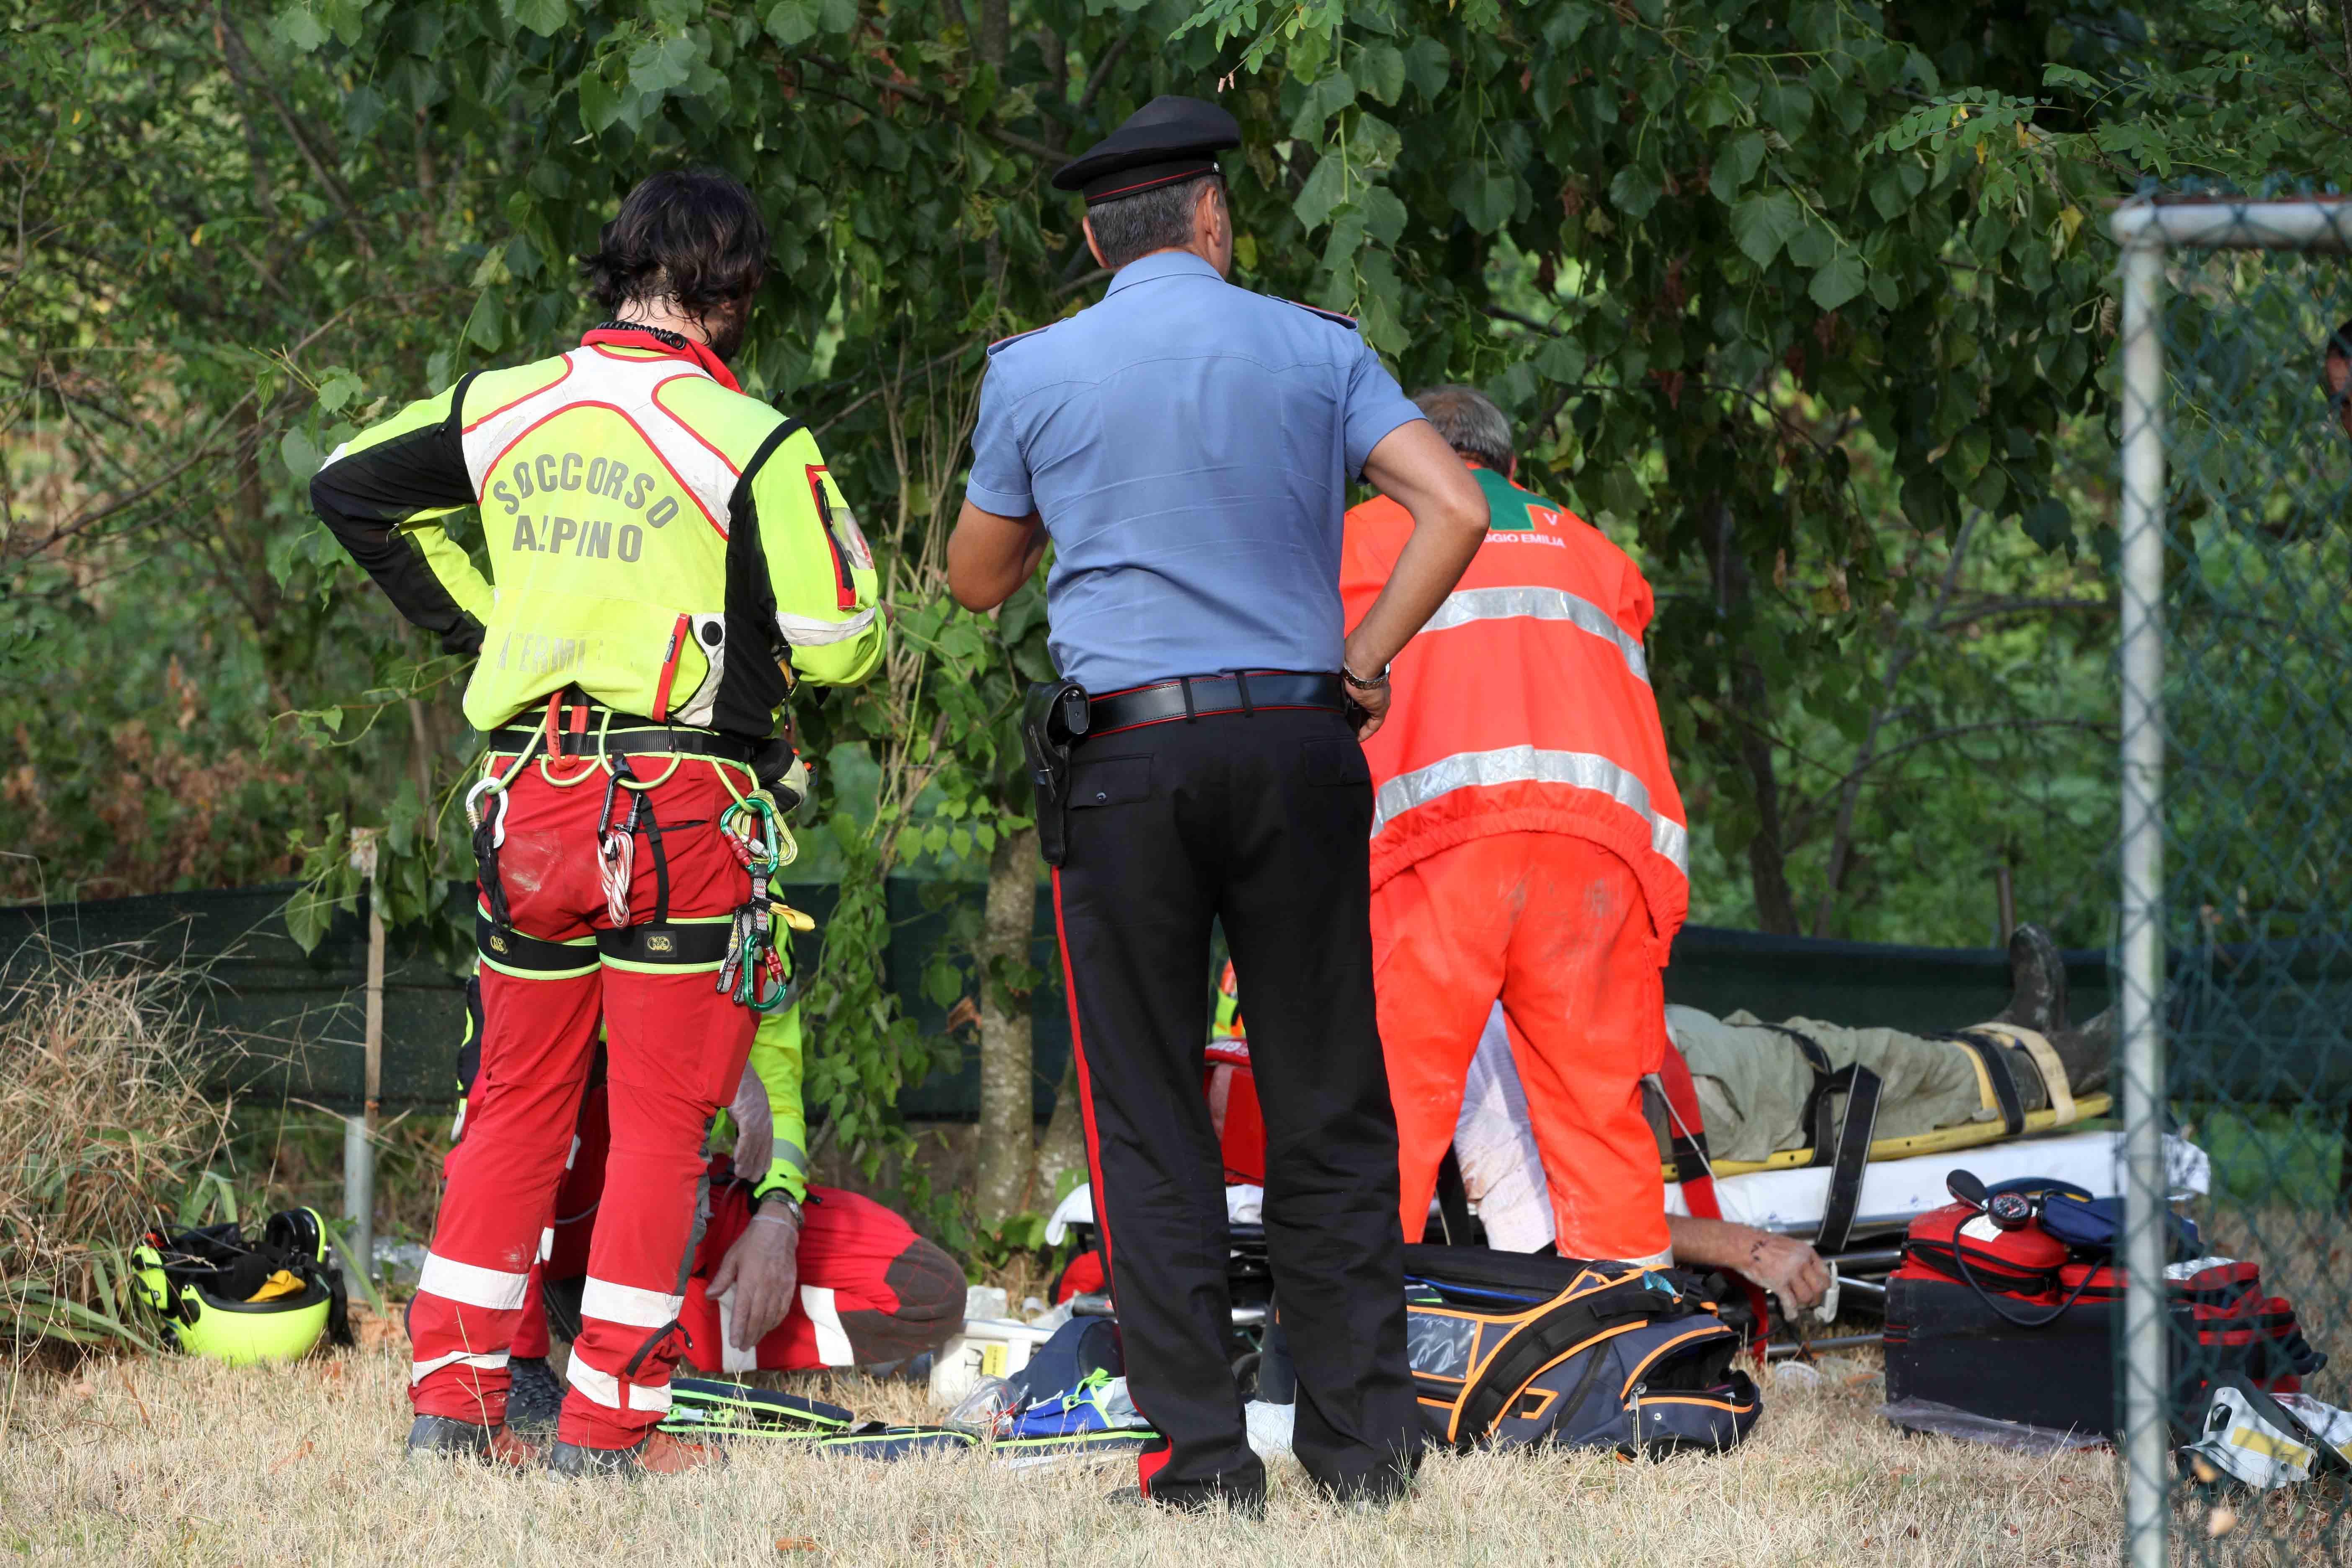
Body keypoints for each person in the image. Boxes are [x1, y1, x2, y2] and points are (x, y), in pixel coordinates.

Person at [946, 95, 1488, 1513]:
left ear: (1090, 234)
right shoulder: (1319, 349)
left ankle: (1194, 1463)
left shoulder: (1034, 372)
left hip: (1127, 765)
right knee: (1326, 1100)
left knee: (1147, 1110)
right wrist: (1359, 660)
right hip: (1299, 743)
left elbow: (974, 578)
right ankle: (1364, 1454)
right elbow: (1454, 510)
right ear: (1211, 219)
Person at [310, 170, 885, 1475]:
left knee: (512, 1104)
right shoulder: (753, 439)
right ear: (731, 294)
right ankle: (610, 1425)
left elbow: (347, 486)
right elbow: (843, 642)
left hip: (529, 799)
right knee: (664, 1125)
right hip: (683, 805)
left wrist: (489, 629)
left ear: (619, 269)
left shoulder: (505, 402)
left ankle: (449, 1407)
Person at [1338, 386, 1688, 1266]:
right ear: (1513, 470)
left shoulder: (1358, 537)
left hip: (1437, 850)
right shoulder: (1601, 556)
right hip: (1598, 857)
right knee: (1601, 1120)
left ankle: (1354, 1376)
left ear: (1403, 451)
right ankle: (1631, 1366)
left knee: (1389, 1120)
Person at [445, 975, 965, 1431]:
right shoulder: (593, 868)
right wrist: (706, 1057)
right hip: (564, 1185)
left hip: (683, 1191)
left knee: (929, 1291)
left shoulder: (766, 912)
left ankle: (640, 1324)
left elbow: (779, 1090)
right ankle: (527, 1343)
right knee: (548, 1102)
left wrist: (779, 1212)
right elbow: (517, 1069)